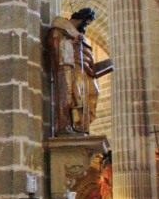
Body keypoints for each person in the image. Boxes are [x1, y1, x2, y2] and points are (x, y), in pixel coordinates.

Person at [47, 7, 113, 135]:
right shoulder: (61, 28)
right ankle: (65, 127)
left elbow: (87, 58)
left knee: (93, 94)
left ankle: (81, 126)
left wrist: (95, 68)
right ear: (81, 18)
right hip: (68, 68)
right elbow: (54, 44)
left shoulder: (79, 35)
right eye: (87, 22)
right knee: (70, 97)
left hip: (85, 73)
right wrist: (71, 42)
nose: (87, 26)